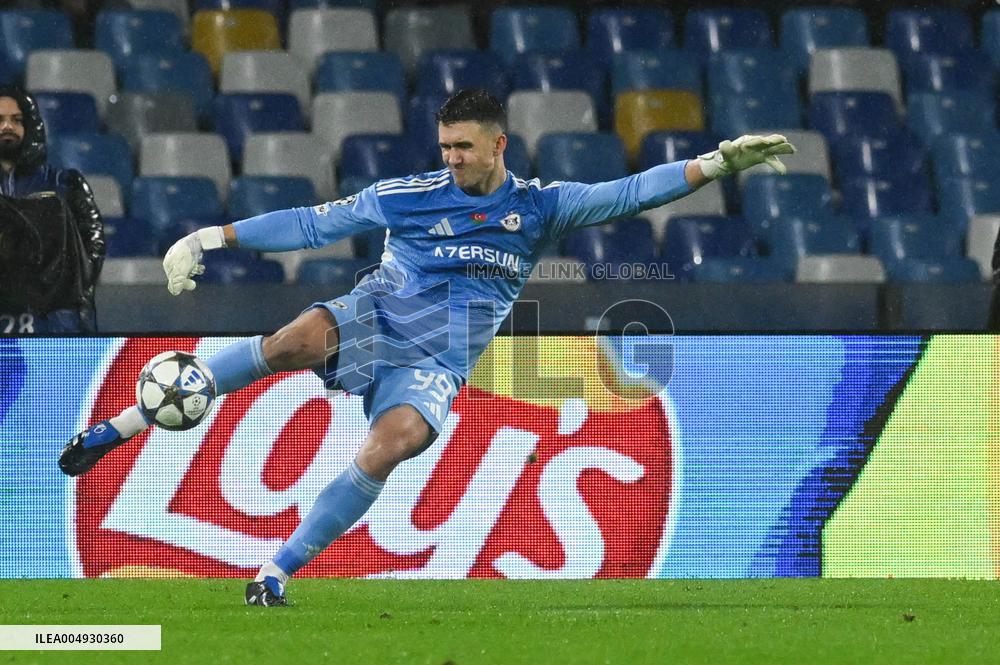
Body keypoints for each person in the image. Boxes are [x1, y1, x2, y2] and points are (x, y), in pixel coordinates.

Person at [58, 89, 794, 605]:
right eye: (445, 147)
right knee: (292, 341)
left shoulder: (539, 207)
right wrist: (212, 236)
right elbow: (315, 224)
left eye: (464, 149)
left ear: (498, 145)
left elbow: (630, 191)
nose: (453, 160)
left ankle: (274, 571)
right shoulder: (410, 193)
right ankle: (113, 429)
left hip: (439, 358)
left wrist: (718, 163)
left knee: (395, 442)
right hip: (376, 314)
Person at [0, 86, 105, 333]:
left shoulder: (65, 183)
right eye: (0, 120)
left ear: (31, 126)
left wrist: (57, 290)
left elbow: (93, 248)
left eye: (16, 120)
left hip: (53, 321)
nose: (7, 127)